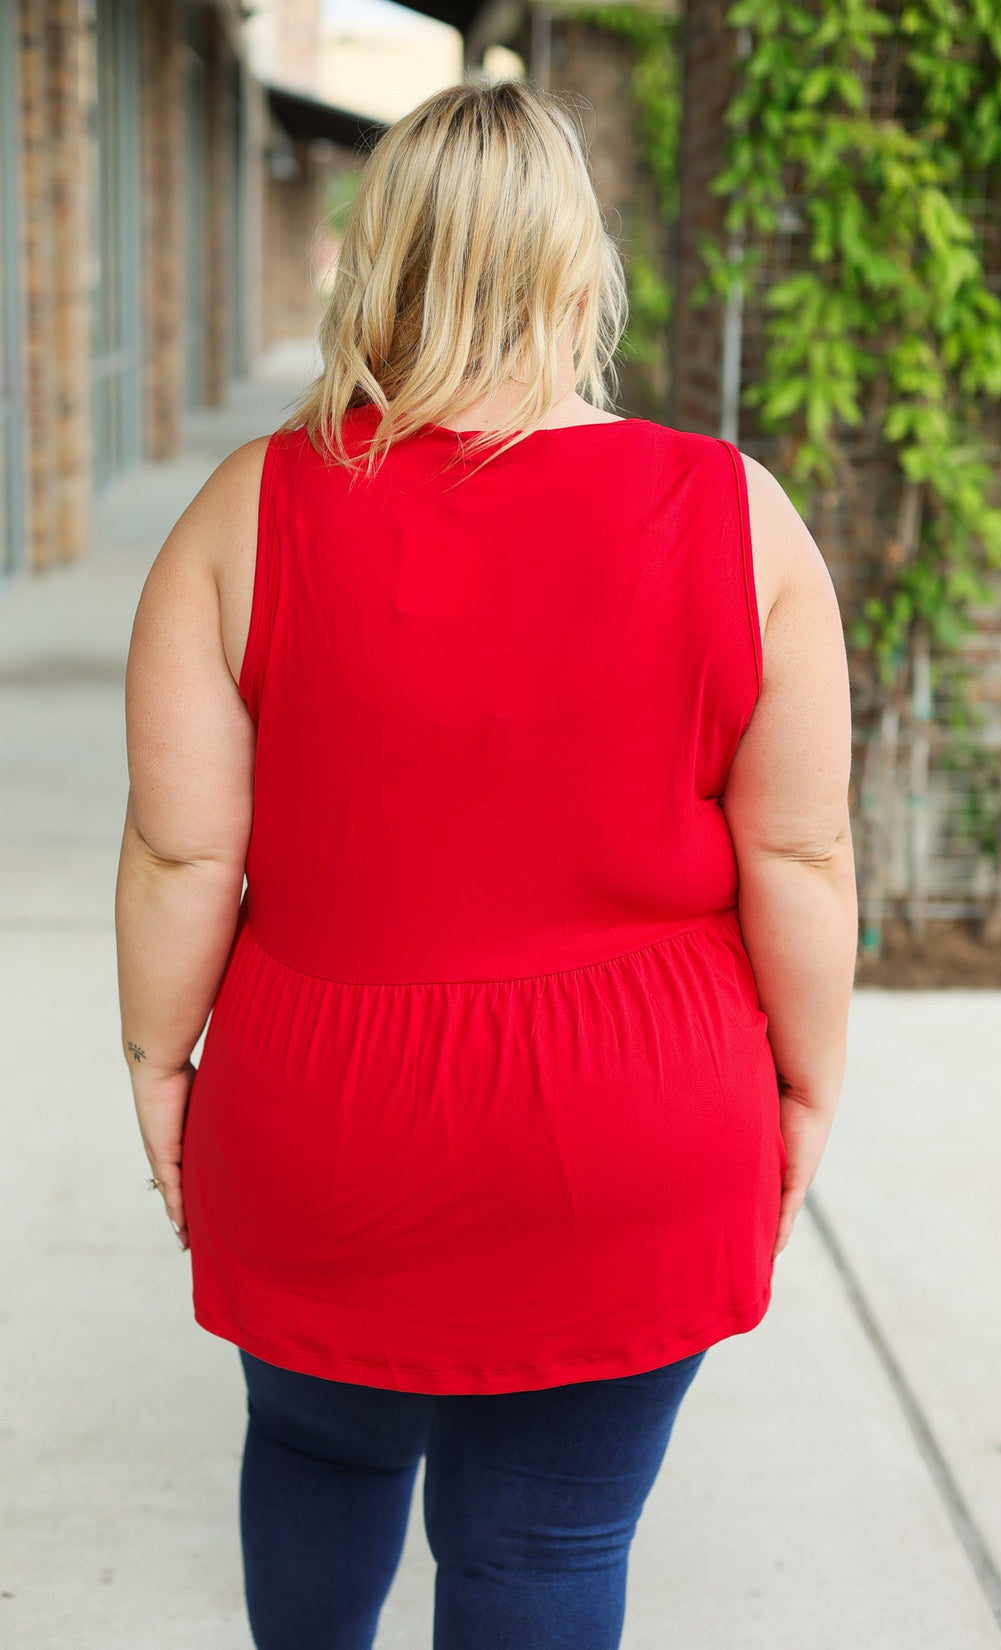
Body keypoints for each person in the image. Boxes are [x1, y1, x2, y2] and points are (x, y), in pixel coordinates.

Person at [114, 76, 858, 1650]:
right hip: (637, 1125)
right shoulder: (742, 518)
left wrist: (158, 1061)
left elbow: (184, 849)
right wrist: (804, 1082)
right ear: (584, 274)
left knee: (320, 1442)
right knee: (544, 1534)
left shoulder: (246, 514)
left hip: (325, 1124)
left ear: (368, 265)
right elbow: (798, 849)